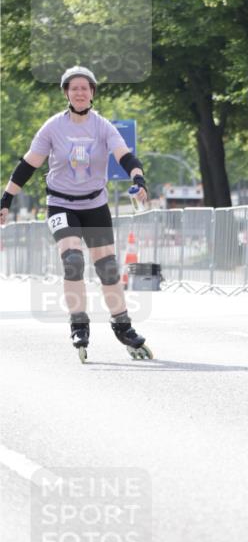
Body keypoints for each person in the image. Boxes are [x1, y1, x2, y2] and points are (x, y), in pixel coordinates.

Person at [0, 66, 153, 362]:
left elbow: (125, 156)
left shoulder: (103, 127)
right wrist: (6, 198)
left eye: (85, 88)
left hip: (95, 204)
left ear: (92, 93)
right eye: (74, 88)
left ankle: (123, 326)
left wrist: (138, 178)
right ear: (67, 93)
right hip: (61, 204)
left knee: (107, 267)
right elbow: (28, 164)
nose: (80, 92)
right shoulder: (53, 127)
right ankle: (79, 323)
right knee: (72, 260)